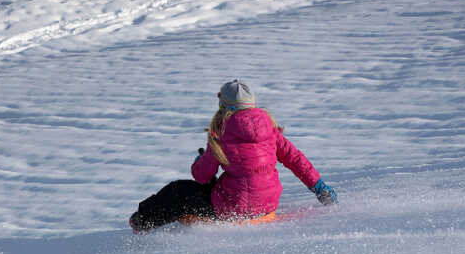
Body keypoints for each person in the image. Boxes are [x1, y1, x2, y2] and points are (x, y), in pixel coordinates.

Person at [129, 79, 337, 233]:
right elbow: (296, 160)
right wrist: (319, 188)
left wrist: (199, 162)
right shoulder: (271, 130)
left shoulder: (222, 132)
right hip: (267, 205)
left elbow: (201, 177)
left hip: (233, 209)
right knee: (225, 185)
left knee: (177, 191)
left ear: (224, 107)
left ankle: (142, 222)